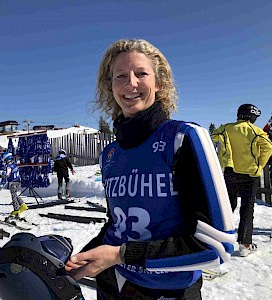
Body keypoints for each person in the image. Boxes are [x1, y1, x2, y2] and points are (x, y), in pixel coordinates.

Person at [65, 39, 235, 299]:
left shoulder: (183, 138)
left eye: (141, 73)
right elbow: (117, 224)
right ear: (110, 87)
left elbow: (217, 246)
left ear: (159, 83)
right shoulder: (110, 154)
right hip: (115, 283)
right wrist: (80, 259)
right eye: (120, 76)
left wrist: (121, 254)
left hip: (169, 290)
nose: (131, 83)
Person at [212, 104, 272, 256]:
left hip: (230, 170)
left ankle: (219, 240)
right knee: (247, 208)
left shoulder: (226, 128)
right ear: (251, 116)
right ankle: (245, 244)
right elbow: (268, 147)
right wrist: (259, 164)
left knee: (227, 206)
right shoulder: (255, 131)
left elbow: (213, 137)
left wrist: (222, 156)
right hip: (250, 173)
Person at [0, 151, 28, 217]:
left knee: (13, 196)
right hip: (17, 181)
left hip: (12, 182)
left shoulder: (8, 166)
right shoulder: (15, 164)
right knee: (15, 194)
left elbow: (7, 175)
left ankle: (16, 209)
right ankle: (23, 205)